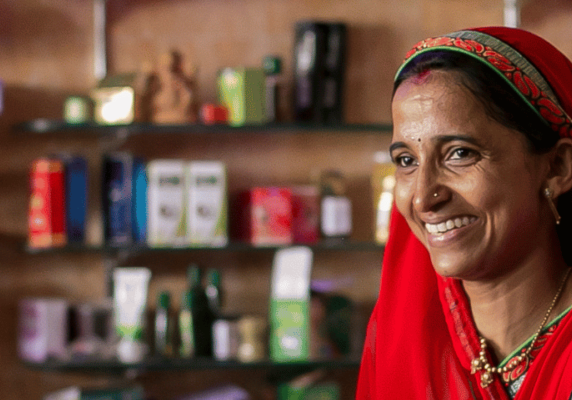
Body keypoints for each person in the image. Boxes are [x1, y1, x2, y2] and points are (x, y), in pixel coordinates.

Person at [357, 27, 572, 399]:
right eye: (406, 160)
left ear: (557, 166)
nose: (424, 198)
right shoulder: (402, 338)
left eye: (460, 153)